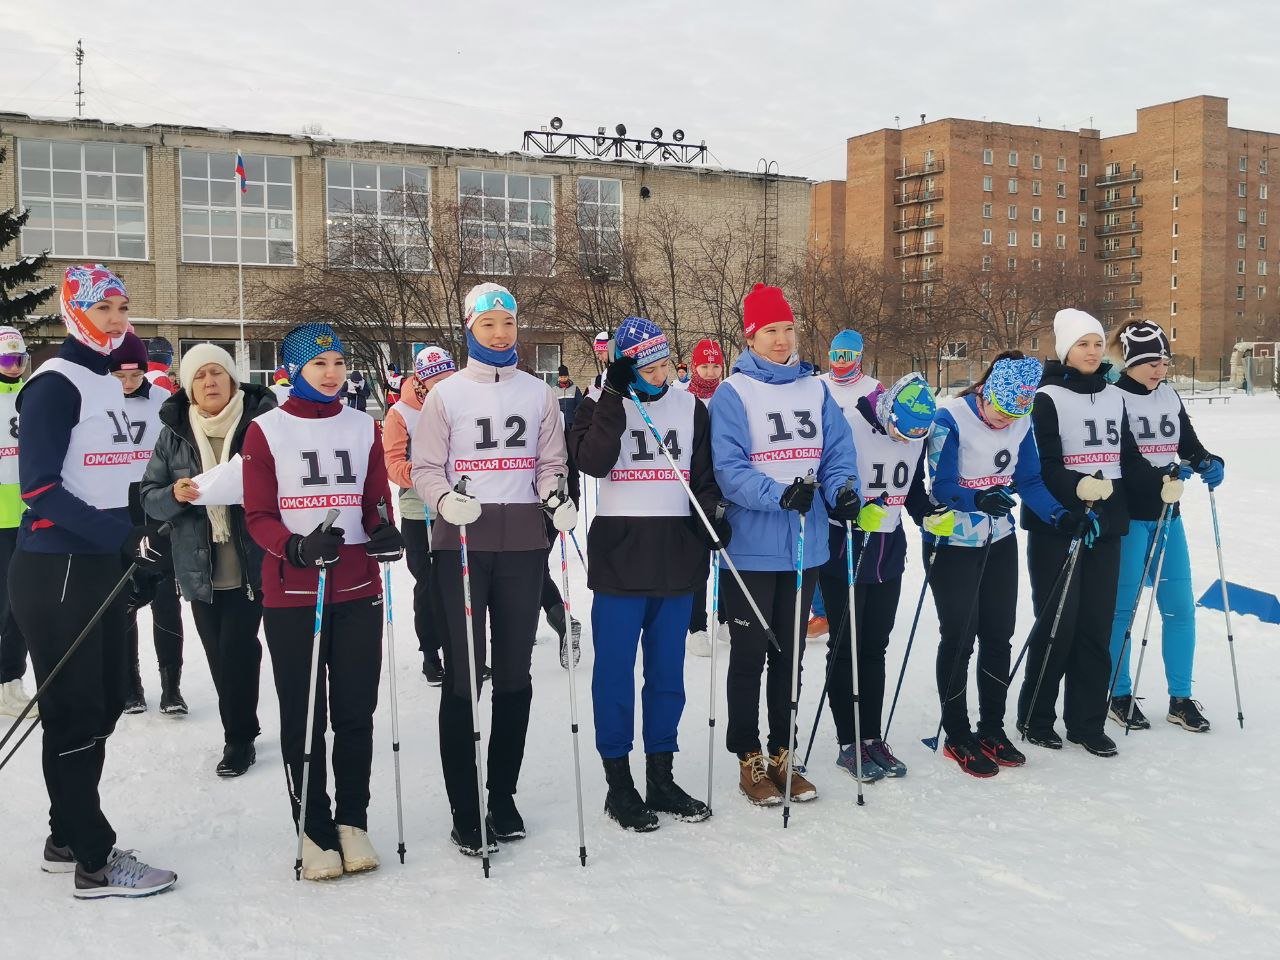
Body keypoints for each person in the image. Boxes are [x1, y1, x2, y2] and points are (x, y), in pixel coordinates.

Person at [11, 264, 177, 897]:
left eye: (123, 307)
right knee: (75, 712)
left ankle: (64, 832)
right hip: (57, 564)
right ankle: (95, 859)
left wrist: (136, 542)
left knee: (104, 702)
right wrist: (119, 537)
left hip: (102, 564)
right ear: (73, 310)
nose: (117, 319)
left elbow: (122, 480)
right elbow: (41, 489)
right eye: (103, 307)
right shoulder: (55, 384)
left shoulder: (107, 383)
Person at [411, 282, 571, 855]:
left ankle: (501, 796)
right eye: (488, 325)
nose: (499, 333)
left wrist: (555, 494)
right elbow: (424, 465)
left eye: (507, 322)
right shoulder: (446, 395)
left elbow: (550, 461)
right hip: (462, 541)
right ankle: (464, 807)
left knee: (514, 675)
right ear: (470, 330)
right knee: (464, 675)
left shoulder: (539, 394)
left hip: (523, 541)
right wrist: (441, 497)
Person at [243, 321, 403, 880]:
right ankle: (313, 827)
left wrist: (383, 530)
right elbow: (257, 515)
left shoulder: (364, 425)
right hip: (293, 593)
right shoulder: (266, 430)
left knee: (356, 711)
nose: (332, 374)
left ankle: (352, 820)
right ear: (294, 370)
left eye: (338, 362)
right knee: (305, 716)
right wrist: (294, 547)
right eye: (319, 364)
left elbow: (375, 499)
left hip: (357, 589)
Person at [709, 283, 859, 806]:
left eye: (787, 329)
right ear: (750, 337)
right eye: (769, 330)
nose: (780, 339)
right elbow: (727, 469)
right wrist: (779, 495)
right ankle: (749, 755)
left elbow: (838, 450)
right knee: (751, 654)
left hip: (805, 546)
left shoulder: (815, 389)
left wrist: (841, 490)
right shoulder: (734, 393)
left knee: (789, 656)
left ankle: (782, 752)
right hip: (751, 548)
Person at [569, 316, 721, 831]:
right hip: (620, 558)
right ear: (626, 367)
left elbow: (704, 478)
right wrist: (613, 395)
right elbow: (592, 461)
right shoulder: (600, 403)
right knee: (614, 675)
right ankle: (619, 784)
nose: (662, 376)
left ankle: (661, 775)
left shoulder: (690, 406)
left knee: (667, 678)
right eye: (649, 368)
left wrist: (714, 516)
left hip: (676, 557)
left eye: (665, 364)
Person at [1016, 308, 1162, 758]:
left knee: (1096, 624)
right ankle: (1036, 716)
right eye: (1083, 344)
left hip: (1108, 522)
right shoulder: (1046, 397)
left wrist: (1160, 482)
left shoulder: (1114, 395)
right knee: (1060, 622)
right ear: (1065, 349)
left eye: (1098, 343)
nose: (1093, 351)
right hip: (1059, 522)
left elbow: (1130, 457)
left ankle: (1087, 721)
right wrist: (1076, 488)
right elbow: (1042, 465)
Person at [141, 341, 276, 777]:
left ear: (233, 378)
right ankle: (241, 721)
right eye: (199, 376)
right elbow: (149, 496)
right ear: (188, 387)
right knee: (219, 651)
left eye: (217, 372)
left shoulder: (262, 423)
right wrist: (173, 496)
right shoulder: (173, 433)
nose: (209, 381)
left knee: (238, 647)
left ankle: (238, 739)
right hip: (198, 562)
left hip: (251, 557)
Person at [927, 353, 1066, 777]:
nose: (1007, 421)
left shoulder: (1021, 421)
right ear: (986, 394)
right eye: (1002, 411)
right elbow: (942, 485)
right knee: (959, 638)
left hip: (999, 538)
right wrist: (977, 498)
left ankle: (991, 727)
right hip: (951, 540)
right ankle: (957, 733)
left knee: (999, 635)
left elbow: (1030, 481)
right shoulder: (950, 418)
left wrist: (1062, 515)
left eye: (1017, 413)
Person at [818, 372, 938, 782]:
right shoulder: (847, 424)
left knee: (875, 647)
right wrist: (848, 512)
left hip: (888, 553)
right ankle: (848, 742)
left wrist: (928, 517)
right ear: (887, 411)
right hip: (845, 552)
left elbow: (914, 489)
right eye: (900, 432)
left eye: (915, 435)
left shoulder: (916, 431)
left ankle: (871, 735)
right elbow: (825, 487)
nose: (906, 440)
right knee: (846, 646)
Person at [1106, 320, 1219, 733]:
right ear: (1130, 361)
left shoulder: (1168, 394)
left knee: (1180, 608)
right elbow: (1124, 459)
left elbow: (1187, 442)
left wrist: (1207, 460)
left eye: (1164, 361)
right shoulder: (1112, 397)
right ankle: (1118, 693)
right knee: (1123, 610)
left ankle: (1180, 698)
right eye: (1150, 362)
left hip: (1170, 517)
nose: (1159, 370)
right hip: (1132, 516)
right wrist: (1164, 476)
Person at [106, 334, 187, 718]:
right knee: (122, 600)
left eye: (136, 374)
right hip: (113, 508)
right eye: (121, 375)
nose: (129, 382)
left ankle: (172, 686)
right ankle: (129, 686)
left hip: (155, 505)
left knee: (167, 600)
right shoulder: (95, 401)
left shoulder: (161, 401)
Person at [383, 343, 454, 685]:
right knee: (428, 584)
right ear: (421, 381)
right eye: (437, 381)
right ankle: (431, 655)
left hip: (458, 504)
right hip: (419, 509)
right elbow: (393, 464)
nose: (444, 387)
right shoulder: (401, 413)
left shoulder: (460, 401)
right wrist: (425, 472)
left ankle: (460, 652)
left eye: (449, 378)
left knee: (459, 581)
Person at [808, 328, 878, 641]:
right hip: (820, 477)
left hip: (855, 476)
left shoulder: (874, 389)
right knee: (817, 545)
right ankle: (822, 611)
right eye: (835, 355)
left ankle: (848, 606)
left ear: (860, 356)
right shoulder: (816, 386)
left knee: (844, 546)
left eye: (847, 355)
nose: (840, 362)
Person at [685, 337, 728, 657]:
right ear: (694, 365)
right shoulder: (684, 399)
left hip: (726, 483)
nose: (711, 372)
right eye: (705, 365)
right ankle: (696, 626)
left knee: (727, 551)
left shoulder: (730, 396)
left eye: (716, 365)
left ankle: (725, 616)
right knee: (698, 556)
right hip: (697, 484)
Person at [0, 326, 33, 717]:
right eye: (6, 359)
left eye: (18, 359)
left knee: (20, 605)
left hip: (27, 515)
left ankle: (10, 680)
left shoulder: (29, 396)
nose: (13, 367)